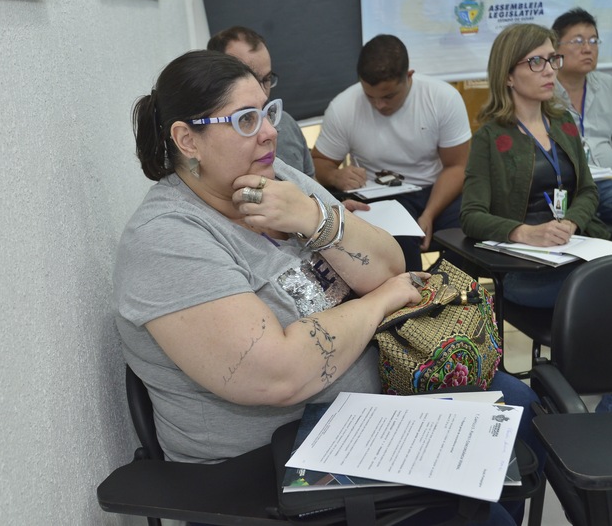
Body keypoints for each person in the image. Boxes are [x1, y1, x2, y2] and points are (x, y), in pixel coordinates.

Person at [113, 49, 536, 526]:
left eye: (267, 112)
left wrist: (314, 217)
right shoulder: (167, 240)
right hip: (267, 467)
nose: (270, 131)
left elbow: (388, 266)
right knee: (488, 508)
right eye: (246, 120)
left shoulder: (275, 177)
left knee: (518, 413)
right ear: (187, 139)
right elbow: (279, 374)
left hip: (370, 406)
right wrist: (379, 303)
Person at [460, 24, 612, 413]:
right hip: (526, 273)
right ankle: (605, 418)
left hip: (574, 251)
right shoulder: (490, 137)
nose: (550, 70)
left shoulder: (563, 122)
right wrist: (523, 232)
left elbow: (588, 191)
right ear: (508, 75)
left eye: (552, 59)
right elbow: (471, 216)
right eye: (536, 61)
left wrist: (572, 222)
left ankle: (607, 419)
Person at [311, 34, 472, 271]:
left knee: (470, 233)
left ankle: (441, 288)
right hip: (380, 194)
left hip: (436, 189)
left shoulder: (442, 98)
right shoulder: (344, 107)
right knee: (397, 243)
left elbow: (457, 167)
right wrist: (336, 176)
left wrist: (429, 214)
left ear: (409, 76)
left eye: (388, 96)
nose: (380, 105)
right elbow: (319, 162)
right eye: (370, 96)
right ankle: (412, 291)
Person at [552, 8, 612, 239]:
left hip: (604, 183)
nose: (588, 48)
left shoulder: (607, 85)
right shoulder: (545, 89)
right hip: (564, 186)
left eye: (594, 41)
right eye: (578, 41)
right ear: (555, 49)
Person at [208, 26, 316, 178]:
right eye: (249, 79)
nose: (261, 91)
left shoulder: (287, 123)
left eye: (266, 79)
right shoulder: (216, 139)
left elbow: (311, 183)